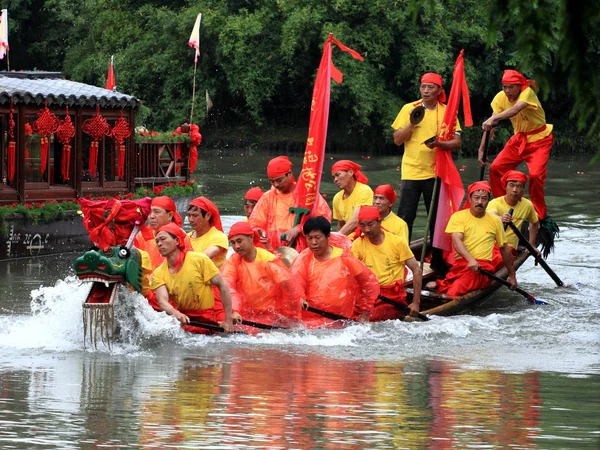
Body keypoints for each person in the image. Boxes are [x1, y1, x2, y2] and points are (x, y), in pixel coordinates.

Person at [391, 72, 462, 275]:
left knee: (436, 220)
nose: (426, 91)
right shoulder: (408, 109)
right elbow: (397, 139)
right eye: (423, 87)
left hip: (436, 173)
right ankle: (402, 262)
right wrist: (412, 123)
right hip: (411, 173)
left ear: (439, 91)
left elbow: (457, 143)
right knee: (405, 218)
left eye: (431, 87)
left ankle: (438, 262)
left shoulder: (447, 112)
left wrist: (440, 144)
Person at [479, 69, 553, 223]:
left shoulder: (527, 93)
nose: (507, 91)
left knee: (535, 176)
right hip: (519, 139)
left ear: (520, 86)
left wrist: (493, 118)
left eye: (511, 87)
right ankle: (503, 204)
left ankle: (539, 214)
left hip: (540, 139)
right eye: (505, 87)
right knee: (495, 168)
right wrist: (481, 149)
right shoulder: (500, 97)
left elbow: (514, 110)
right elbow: (491, 125)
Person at [291, 216, 379, 328]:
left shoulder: (345, 257)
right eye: (309, 238)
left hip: (338, 320)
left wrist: (366, 311)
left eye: (317, 237)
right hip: (309, 318)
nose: (313, 242)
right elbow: (294, 283)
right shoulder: (304, 257)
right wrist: (299, 298)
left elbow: (369, 282)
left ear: (328, 236)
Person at [437, 181, 517, 297]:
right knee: (443, 290)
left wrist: (512, 276)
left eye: (484, 199)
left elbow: (504, 249)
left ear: (488, 201)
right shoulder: (458, 217)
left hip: (482, 270)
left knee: (453, 293)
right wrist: (470, 260)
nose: (480, 202)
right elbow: (457, 241)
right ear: (469, 199)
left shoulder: (495, 221)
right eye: (476, 198)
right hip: (462, 266)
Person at [151, 222, 233, 333]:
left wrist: (228, 320)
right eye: (157, 241)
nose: (159, 244)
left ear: (176, 241)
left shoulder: (199, 260)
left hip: (208, 319)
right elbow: (162, 302)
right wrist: (177, 314)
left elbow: (222, 286)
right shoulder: (158, 273)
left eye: (163, 239)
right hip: (184, 319)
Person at [221, 221, 302, 330]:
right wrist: (234, 311)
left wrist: (293, 318)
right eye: (233, 243)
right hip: (243, 315)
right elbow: (228, 287)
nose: (236, 246)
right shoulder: (233, 261)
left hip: (271, 317)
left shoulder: (269, 260)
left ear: (251, 237)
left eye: (239, 241)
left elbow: (289, 289)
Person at [352, 206, 422, 321]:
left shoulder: (397, 242)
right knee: (349, 317)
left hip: (391, 297)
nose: (367, 230)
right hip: (367, 296)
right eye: (362, 225)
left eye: (370, 224)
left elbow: (416, 270)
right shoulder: (357, 245)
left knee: (369, 320)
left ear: (379, 222)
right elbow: (351, 275)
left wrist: (415, 303)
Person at [249, 155, 331, 251]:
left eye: (279, 180)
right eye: (272, 181)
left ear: (290, 174)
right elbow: (254, 223)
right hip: (272, 251)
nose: (276, 185)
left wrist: (298, 229)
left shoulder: (308, 195)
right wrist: (260, 233)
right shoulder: (268, 197)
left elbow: (323, 219)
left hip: (302, 251)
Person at [486, 170, 540, 255]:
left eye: (519, 186)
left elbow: (535, 223)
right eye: (511, 185)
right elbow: (490, 215)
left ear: (523, 189)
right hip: (491, 246)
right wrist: (501, 218)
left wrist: (531, 245)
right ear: (505, 187)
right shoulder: (495, 203)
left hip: (510, 250)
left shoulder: (527, 205)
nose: (515, 190)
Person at [134, 196, 190, 270]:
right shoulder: (141, 235)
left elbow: (187, 264)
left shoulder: (180, 235)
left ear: (170, 215)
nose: (151, 216)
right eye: (149, 212)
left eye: (156, 212)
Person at [331, 160, 374, 235]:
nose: (335, 180)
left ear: (350, 172)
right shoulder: (337, 197)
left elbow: (356, 220)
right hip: (348, 238)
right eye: (334, 177)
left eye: (338, 175)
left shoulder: (364, 190)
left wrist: (338, 236)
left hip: (364, 237)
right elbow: (341, 224)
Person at [187, 196, 228, 268]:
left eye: (195, 215)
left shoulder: (219, 237)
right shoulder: (186, 237)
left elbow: (203, 258)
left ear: (208, 216)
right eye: (189, 215)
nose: (191, 219)